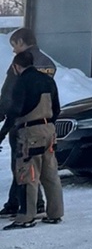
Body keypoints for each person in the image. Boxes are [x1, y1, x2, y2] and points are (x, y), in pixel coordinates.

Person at [4, 47, 62, 229]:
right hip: (49, 130)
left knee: (27, 173)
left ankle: (26, 217)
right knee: (50, 173)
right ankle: (55, 213)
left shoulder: (22, 82)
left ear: (16, 67)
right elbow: (57, 108)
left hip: (30, 132)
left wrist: (2, 133)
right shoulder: (47, 80)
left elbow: (14, 111)